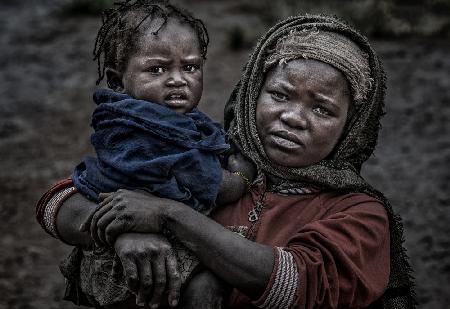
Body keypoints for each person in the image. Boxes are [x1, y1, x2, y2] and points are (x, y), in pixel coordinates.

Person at [36, 13, 417, 309]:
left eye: (322, 109)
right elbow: (57, 202)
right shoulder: (214, 155)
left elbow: (298, 288)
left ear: (351, 126)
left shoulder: (359, 214)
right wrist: (123, 230)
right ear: (253, 94)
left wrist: (169, 215)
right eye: (280, 95)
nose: (293, 117)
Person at [37, 0, 255, 308]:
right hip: (148, 255)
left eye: (190, 67)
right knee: (206, 287)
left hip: (119, 242)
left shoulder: (118, 118)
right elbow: (215, 186)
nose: (178, 80)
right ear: (117, 80)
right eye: (157, 69)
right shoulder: (157, 133)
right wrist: (244, 176)